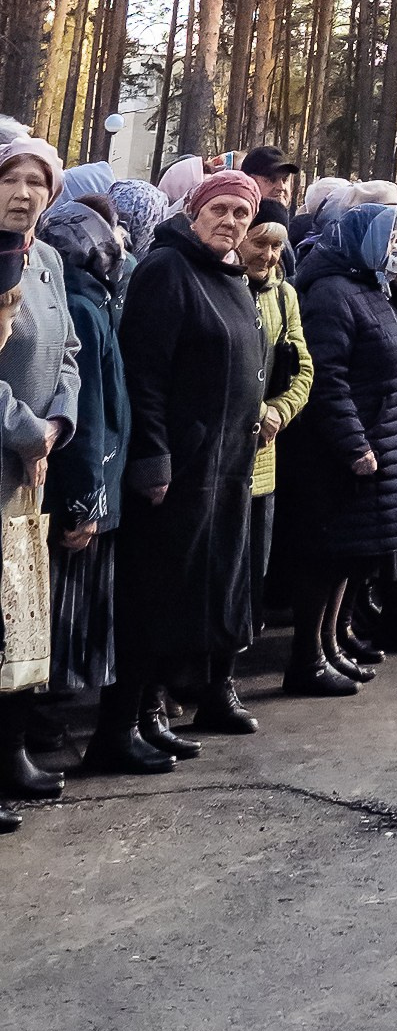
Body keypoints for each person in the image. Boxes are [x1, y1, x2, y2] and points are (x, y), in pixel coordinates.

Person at [109, 165, 267, 754]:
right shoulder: (167, 270)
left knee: (193, 595)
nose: (230, 222)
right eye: (219, 210)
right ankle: (120, 724)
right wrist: (153, 455)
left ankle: (155, 717)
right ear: (194, 212)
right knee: (155, 595)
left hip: (224, 466)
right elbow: (144, 374)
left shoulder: (227, 274)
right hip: (178, 467)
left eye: (241, 214)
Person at [275, 197, 397, 695]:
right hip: (337, 450)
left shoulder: (370, 286)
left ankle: (333, 644)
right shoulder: (332, 294)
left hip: (381, 432)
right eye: (395, 243)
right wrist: (354, 444)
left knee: (350, 557)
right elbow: (327, 378)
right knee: (327, 557)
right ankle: (308, 656)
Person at [38, 168, 130, 762]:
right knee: (62, 620)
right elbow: (89, 412)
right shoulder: (84, 305)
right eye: (111, 236)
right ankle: (44, 728)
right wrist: (85, 502)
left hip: (98, 486)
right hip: (84, 490)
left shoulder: (86, 299)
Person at [0, 130, 76, 806]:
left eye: (37, 183)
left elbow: (69, 351)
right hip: (9, 458)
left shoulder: (45, 257)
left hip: (32, 469)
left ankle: (11, 751)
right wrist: (24, 430)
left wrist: (54, 425)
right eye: (10, 180)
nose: (24, 195)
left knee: (19, 610)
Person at [237, 204, 312, 671]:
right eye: (258, 242)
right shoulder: (226, 289)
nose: (268, 254)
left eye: (276, 245)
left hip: (266, 455)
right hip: (225, 455)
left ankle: (226, 673)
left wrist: (280, 411)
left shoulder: (284, 295)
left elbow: (302, 365)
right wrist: (256, 410)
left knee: (250, 575)